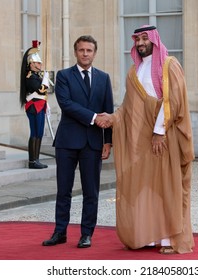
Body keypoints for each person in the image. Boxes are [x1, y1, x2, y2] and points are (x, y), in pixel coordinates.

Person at [97, 25, 195, 254]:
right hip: (141, 141)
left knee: (166, 187)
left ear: (154, 40)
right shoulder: (135, 71)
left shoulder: (170, 65)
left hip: (164, 139)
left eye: (144, 38)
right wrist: (112, 118)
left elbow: (173, 100)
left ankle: (169, 239)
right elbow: (129, 106)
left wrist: (159, 132)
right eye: (137, 39)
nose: (140, 43)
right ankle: (147, 237)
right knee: (145, 187)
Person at [42, 35, 114, 248]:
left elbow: (108, 111)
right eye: (81, 50)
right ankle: (60, 232)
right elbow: (66, 104)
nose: (85, 54)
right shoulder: (64, 76)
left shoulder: (103, 78)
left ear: (94, 53)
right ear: (76, 52)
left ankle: (86, 234)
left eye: (89, 50)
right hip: (67, 142)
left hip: (93, 144)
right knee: (63, 190)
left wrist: (108, 141)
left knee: (91, 191)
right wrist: (94, 118)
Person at [20, 40, 50, 169]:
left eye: (40, 62)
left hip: (40, 105)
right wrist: (45, 79)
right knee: (35, 132)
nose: (40, 64)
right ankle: (32, 160)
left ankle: (36, 159)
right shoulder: (30, 77)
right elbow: (41, 89)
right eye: (37, 62)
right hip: (33, 106)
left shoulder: (36, 76)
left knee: (39, 133)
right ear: (31, 64)